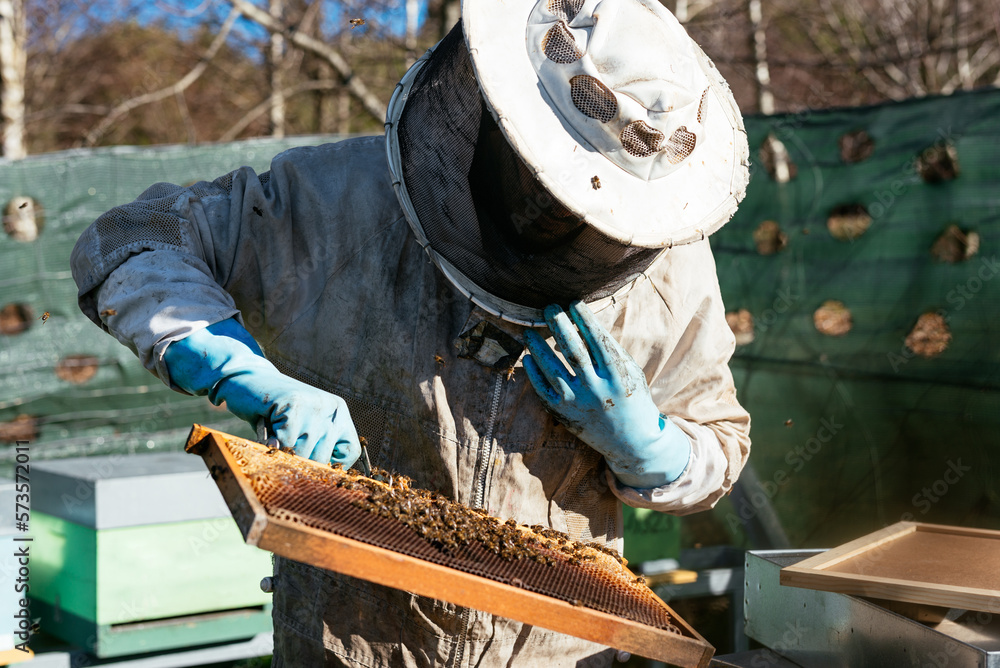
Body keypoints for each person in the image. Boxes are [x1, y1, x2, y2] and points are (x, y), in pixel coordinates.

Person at [71, 0, 751, 665]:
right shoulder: (335, 198)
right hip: (347, 645)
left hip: (558, 650)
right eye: (538, 185)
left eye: (576, 208)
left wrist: (649, 447)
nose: (545, 214)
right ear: (498, 117)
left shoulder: (673, 270)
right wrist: (245, 375)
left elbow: (718, 444)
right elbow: (131, 240)